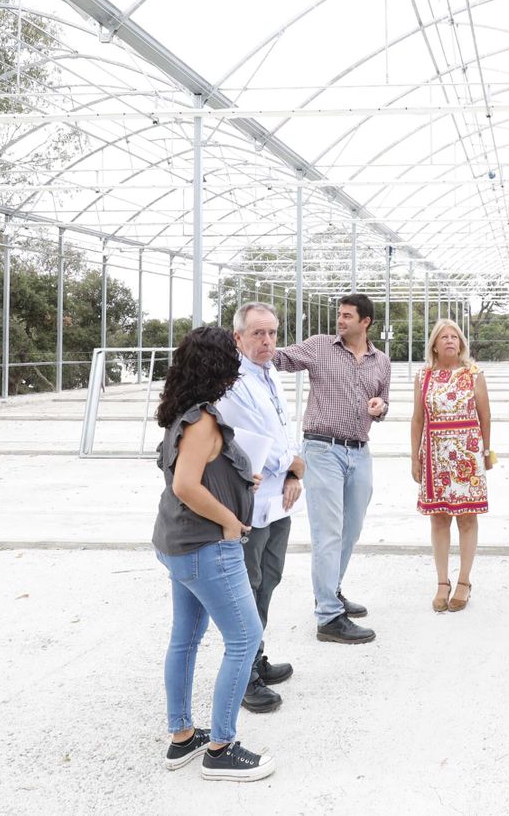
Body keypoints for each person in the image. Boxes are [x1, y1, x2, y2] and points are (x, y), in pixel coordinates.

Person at [151, 325, 275, 781]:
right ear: (220, 366)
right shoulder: (202, 419)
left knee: (185, 637)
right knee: (244, 637)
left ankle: (182, 736)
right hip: (206, 546)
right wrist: (229, 520)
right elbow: (186, 484)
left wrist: (239, 478)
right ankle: (221, 749)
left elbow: (196, 470)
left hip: (177, 544)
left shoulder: (179, 410)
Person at [273, 293, 392, 644]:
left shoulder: (381, 361)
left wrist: (379, 406)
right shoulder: (320, 346)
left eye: (347, 315)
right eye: (339, 314)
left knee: (351, 529)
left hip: (359, 451)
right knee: (328, 534)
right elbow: (281, 359)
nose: (340, 320)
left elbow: (384, 403)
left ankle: (331, 590)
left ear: (365, 322)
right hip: (322, 449)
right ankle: (328, 615)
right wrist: (258, 342)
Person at [215, 302, 304, 714]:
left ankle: (256, 654)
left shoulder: (270, 376)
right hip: (250, 503)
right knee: (247, 587)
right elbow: (252, 441)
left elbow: (286, 431)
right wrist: (291, 465)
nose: (267, 341)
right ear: (238, 338)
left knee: (269, 579)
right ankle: (244, 675)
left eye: (272, 333)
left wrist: (293, 474)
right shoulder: (233, 382)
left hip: (279, 499)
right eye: (257, 334)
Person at [410, 319, 493, 612]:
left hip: (467, 454)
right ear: (434, 343)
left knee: (467, 518)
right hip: (435, 453)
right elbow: (418, 418)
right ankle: (442, 581)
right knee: (439, 518)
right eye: (443, 337)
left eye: (454, 337)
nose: (449, 341)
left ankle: (464, 581)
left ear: (461, 343)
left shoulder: (473, 374)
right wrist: (414, 456)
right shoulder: (424, 376)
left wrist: (486, 452)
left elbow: (485, 416)